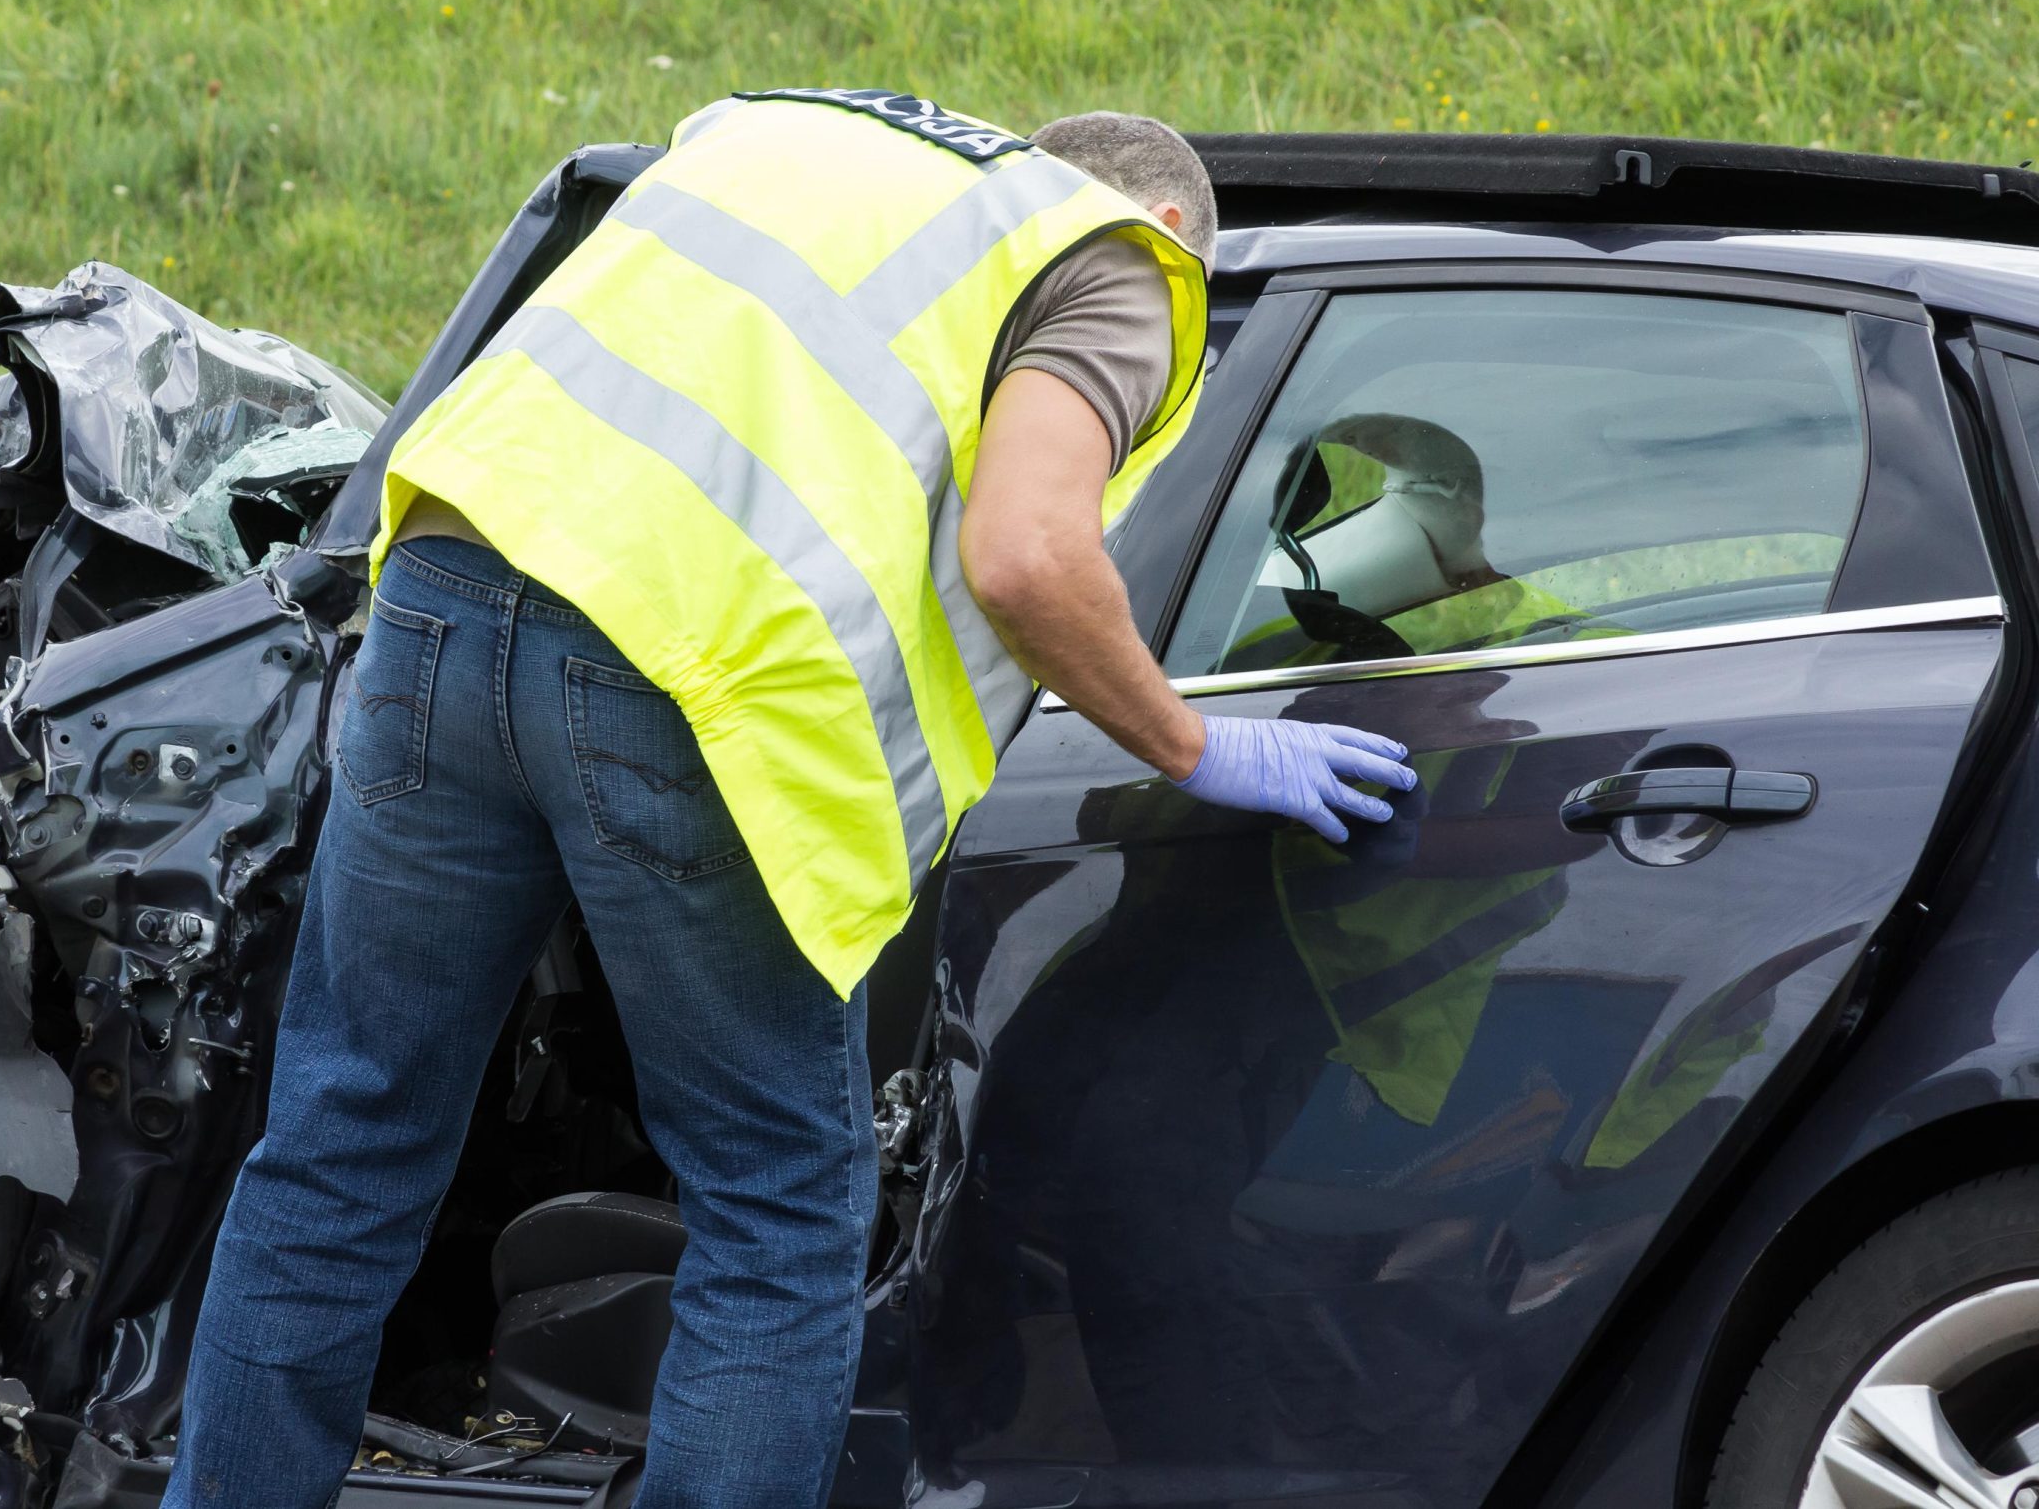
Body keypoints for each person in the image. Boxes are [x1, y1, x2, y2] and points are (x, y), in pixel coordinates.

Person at [164, 91, 1415, 1509]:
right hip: (682, 679)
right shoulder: (1120, 255)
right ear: (1174, 223)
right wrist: (1191, 745)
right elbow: (1025, 551)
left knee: (339, 1149)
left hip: (441, 594)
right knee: (775, 1211)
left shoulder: (784, 139)